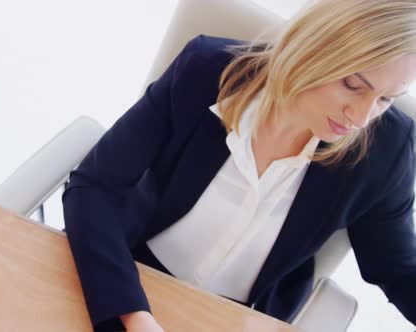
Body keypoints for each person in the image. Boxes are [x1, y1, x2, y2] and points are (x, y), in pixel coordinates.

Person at [62, 0, 416, 331]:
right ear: (313, 49)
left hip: (240, 319)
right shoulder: (203, 72)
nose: (361, 117)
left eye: (385, 98)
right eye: (353, 85)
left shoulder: (387, 151)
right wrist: (133, 314)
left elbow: (398, 270)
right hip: (127, 278)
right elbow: (95, 186)